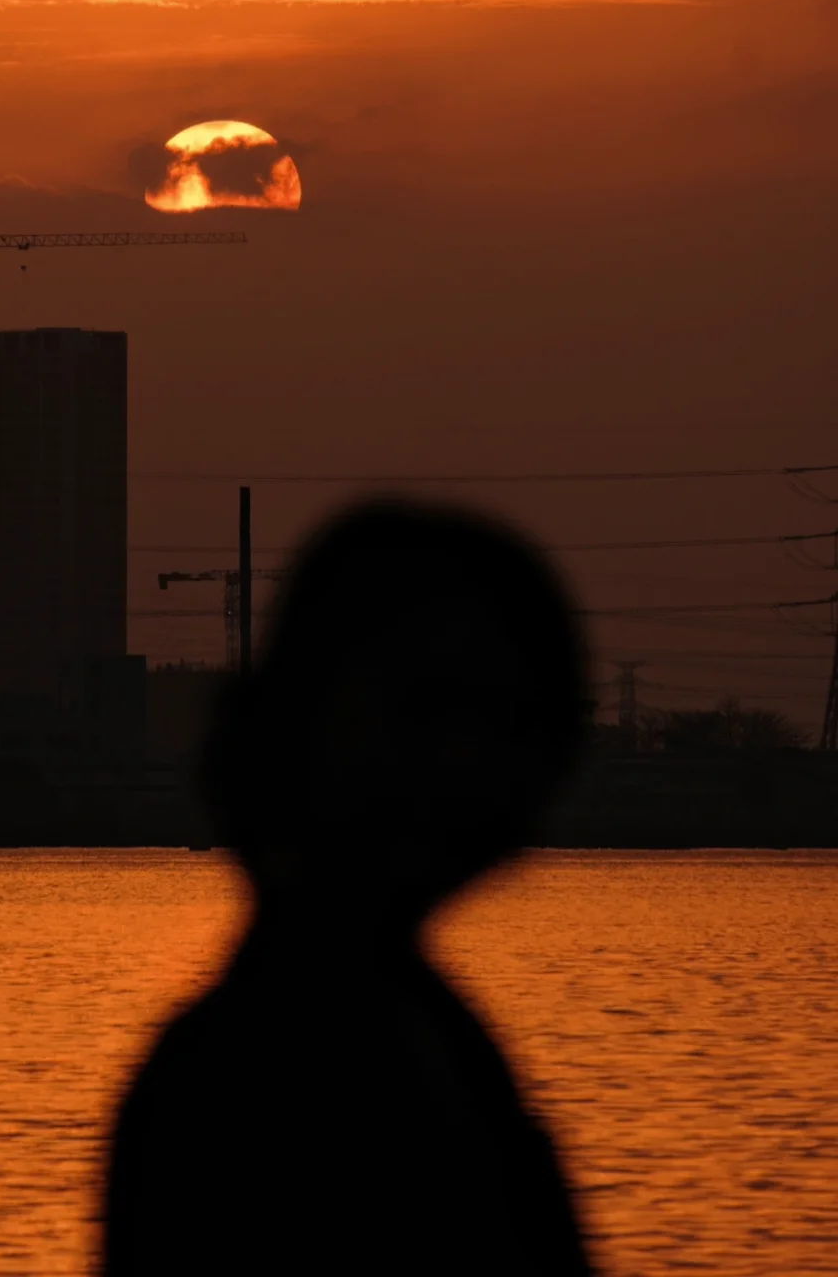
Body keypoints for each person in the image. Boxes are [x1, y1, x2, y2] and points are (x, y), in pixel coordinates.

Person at [103, 499, 595, 1274]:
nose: (463, 762)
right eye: (423, 713)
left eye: (510, 719)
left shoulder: (392, 1016)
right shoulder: (297, 1057)